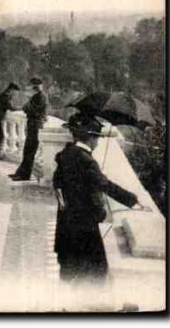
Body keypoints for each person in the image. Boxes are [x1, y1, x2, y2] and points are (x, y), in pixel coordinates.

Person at [52, 113, 150, 284]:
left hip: (66, 223)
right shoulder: (87, 161)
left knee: (69, 270)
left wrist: (64, 203)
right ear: (90, 138)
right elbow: (105, 185)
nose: (98, 142)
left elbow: (57, 183)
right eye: (96, 138)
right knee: (96, 271)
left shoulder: (65, 154)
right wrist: (133, 201)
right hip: (84, 226)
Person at [10, 77, 48, 181]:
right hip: (32, 124)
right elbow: (26, 108)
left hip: (36, 125)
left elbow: (29, 109)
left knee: (30, 150)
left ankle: (24, 175)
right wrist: (27, 106)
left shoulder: (41, 97)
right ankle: (21, 173)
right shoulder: (37, 96)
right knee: (27, 150)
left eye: (33, 87)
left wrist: (27, 106)